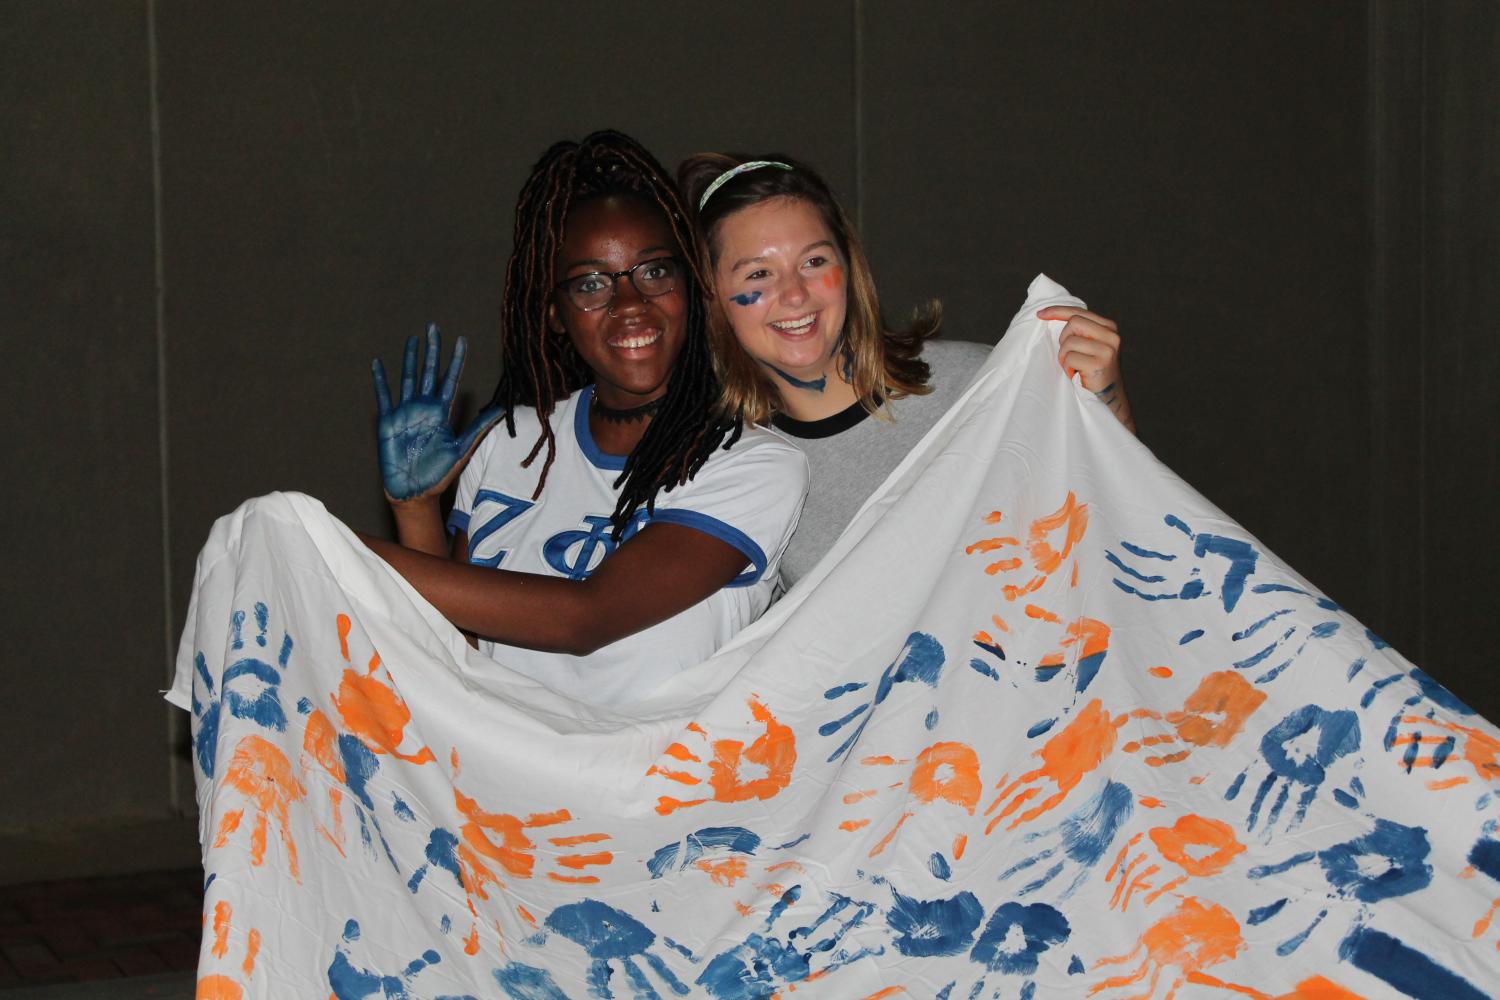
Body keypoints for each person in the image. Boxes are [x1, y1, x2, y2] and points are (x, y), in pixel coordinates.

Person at [362, 132, 807, 706]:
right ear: (553, 312)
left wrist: (331, 546)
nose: (629, 303)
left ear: (690, 289)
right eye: (592, 283)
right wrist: (417, 512)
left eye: (653, 272)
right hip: (492, 787)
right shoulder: (509, 443)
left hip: (649, 792)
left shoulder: (755, 464)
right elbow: (454, 660)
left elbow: (585, 619)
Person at [679, 153, 1136, 586]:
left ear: (849, 267)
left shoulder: (980, 383)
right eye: (758, 274)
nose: (795, 294)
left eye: (814, 262)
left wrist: (1105, 401)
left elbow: (1126, 525)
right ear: (713, 297)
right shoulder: (734, 471)